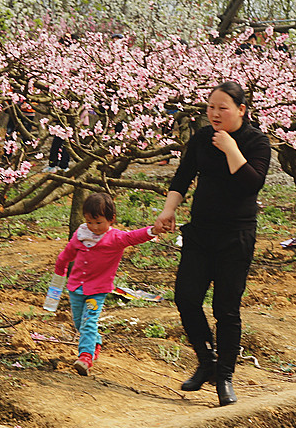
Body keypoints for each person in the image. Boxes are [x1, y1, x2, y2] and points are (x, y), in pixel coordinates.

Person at [153, 82, 271, 407]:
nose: (215, 114)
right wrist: (168, 210)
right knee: (186, 298)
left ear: (242, 110)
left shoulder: (256, 142)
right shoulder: (202, 138)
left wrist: (231, 147)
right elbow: (183, 176)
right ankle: (206, 362)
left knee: (226, 309)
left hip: (236, 236)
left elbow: (251, 183)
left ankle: (225, 377)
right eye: (210, 107)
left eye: (223, 108)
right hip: (201, 232)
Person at [53, 192, 156, 375]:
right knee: (79, 322)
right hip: (76, 287)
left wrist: (152, 231)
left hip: (97, 290)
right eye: (89, 222)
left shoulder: (115, 238)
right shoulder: (81, 234)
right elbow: (67, 253)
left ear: (111, 219)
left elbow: (133, 237)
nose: (93, 227)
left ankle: (85, 357)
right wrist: (60, 268)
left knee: (88, 321)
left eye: (98, 222)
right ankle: (96, 343)